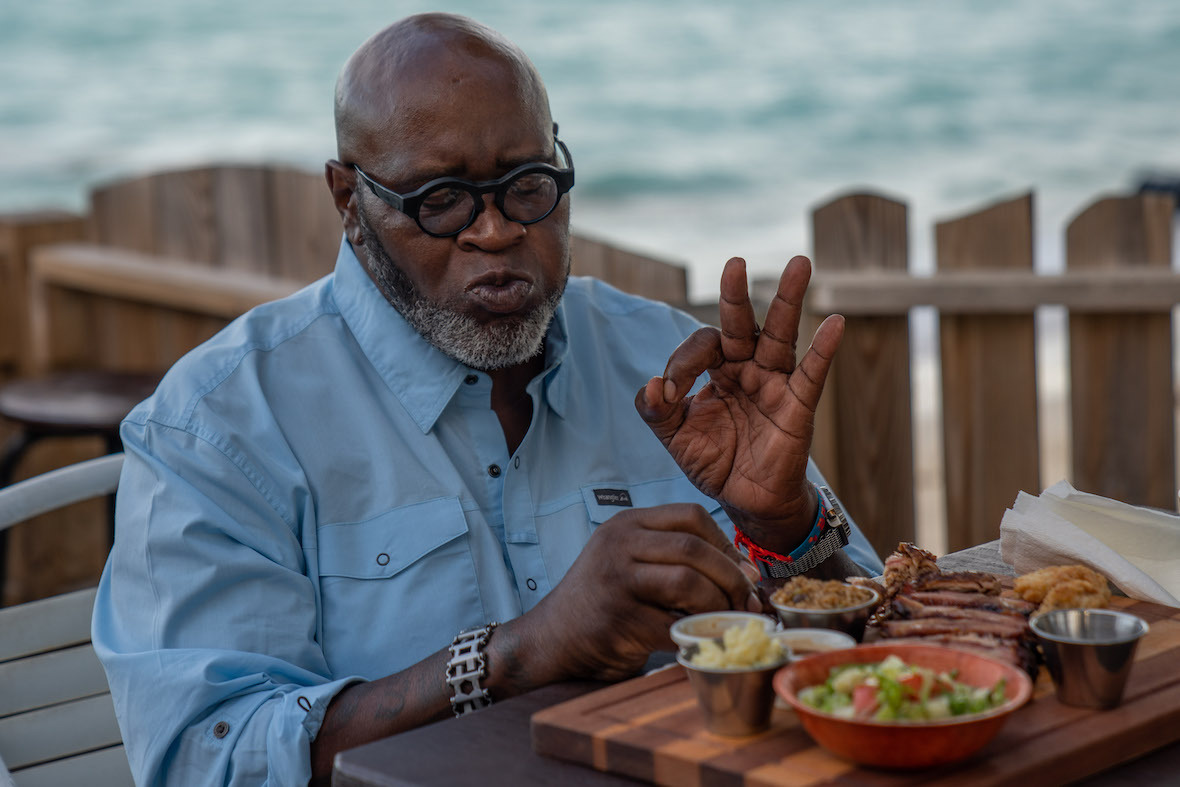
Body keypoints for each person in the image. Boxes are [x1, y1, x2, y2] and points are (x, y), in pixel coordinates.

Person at [92, 12, 883, 786]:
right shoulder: (221, 423)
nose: (497, 231)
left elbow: (878, 661)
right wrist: (519, 654)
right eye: (441, 199)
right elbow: (206, 755)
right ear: (348, 200)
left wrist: (785, 528)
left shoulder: (668, 365)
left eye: (529, 185)